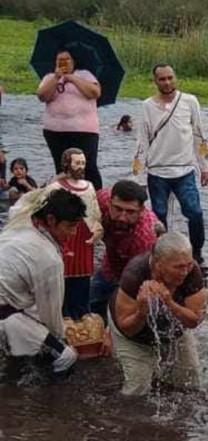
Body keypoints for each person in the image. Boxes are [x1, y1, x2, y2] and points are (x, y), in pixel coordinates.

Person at [109, 232, 207, 396]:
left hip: (174, 330)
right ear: (157, 264)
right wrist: (142, 311)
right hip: (132, 335)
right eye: (178, 267)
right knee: (137, 389)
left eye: (188, 264)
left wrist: (170, 303)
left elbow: (194, 320)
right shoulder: (134, 275)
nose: (184, 272)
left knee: (190, 383)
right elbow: (127, 329)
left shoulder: (193, 273)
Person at [0, 187, 85, 377]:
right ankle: (48, 399)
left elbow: (29, 198)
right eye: (70, 226)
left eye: (76, 226)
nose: (73, 233)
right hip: (5, 316)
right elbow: (52, 317)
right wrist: (64, 341)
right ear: (51, 220)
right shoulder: (48, 259)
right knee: (66, 357)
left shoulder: (22, 217)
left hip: (9, 306)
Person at [133, 63, 208, 266]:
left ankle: (197, 255)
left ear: (175, 78)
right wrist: (138, 178)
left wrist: (205, 167)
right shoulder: (147, 106)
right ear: (155, 81)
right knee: (159, 217)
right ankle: (162, 257)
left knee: (195, 212)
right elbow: (142, 142)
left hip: (184, 170)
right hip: (157, 172)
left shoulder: (190, 102)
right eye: (162, 79)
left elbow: (200, 136)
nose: (167, 82)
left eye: (170, 78)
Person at [89, 180, 160, 319]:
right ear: (109, 203)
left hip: (136, 273)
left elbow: (141, 277)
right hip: (110, 264)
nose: (122, 217)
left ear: (141, 211)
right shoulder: (99, 200)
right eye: (118, 209)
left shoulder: (146, 236)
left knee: (121, 316)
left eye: (130, 212)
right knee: (91, 306)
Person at [44, 148, 102, 319]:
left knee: (84, 276)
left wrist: (98, 228)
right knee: (62, 275)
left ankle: (83, 313)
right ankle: (63, 314)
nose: (81, 167)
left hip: (84, 236)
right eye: (77, 163)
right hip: (65, 235)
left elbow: (95, 212)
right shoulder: (55, 187)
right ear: (66, 164)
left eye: (83, 163)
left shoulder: (89, 186)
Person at [36, 49, 103, 190]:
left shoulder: (85, 74)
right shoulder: (50, 77)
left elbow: (94, 93)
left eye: (67, 59)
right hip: (55, 131)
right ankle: (66, 198)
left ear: (73, 61)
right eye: (59, 59)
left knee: (87, 166)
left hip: (85, 131)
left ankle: (95, 196)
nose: (63, 62)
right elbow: (42, 96)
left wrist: (71, 78)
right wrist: (56, 77)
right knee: (63, 167)